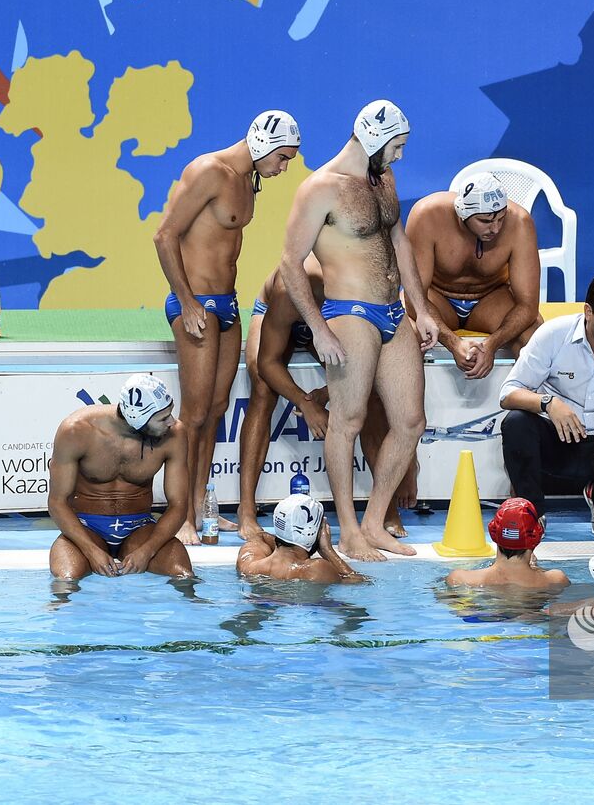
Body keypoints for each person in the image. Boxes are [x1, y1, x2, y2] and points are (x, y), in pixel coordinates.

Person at [279, 100, 438, 561]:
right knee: (347, 422)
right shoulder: (319, 189)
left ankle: (374, 520)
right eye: (397, 147)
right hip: (350, 313)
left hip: (393, 312)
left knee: (410, 422)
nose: (401, 157)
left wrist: (421, 310)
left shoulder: (383, 179)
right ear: (372, 140)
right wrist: (320, 329)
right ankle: (348, 529)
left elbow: (398, 241)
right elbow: (290, 263)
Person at [153, 110, 301, 542]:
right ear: (261, 145)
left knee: (216, 412)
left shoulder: (247, 180)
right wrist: (186, 300)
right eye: (283, 158)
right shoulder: (208, 171)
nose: (284, 167)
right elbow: (164, 235)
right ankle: (179, 517)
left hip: (228, 306)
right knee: (194, 414)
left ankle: (200, 507)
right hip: (195, 303)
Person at [234, 255, 417, 542]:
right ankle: (246, 509)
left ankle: (386, 508)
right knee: (261, 387)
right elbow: (267, 362)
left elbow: (368, 371)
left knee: (370, 397)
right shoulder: (289, 291)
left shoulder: (358, 290)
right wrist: (305, 402)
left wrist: (325, 393)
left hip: (334, 322)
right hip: (283, 316)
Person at [498, 269, 594, 536]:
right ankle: (533, 512)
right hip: (557, 440)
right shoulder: (552, 334)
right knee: (516, 423)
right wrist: (549, 403)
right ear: (588, 311)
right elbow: (508, 393)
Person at [46, 374, 194, 580]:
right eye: (163, 418)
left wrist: (148, 550)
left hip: (140, 527)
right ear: (138, 419)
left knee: (184, 576)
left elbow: (179, 505)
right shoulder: (76, 430)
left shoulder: (175, 434)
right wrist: (90, 550)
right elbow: (57, 502)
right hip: (85, 527)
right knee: (66, 578)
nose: (172, 422)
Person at [406, 171, 542, 379]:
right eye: (485, 221)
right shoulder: (427, 216)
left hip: (491, 301)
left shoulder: (520, 222)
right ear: (462, 214)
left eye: (501, 218)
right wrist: (453, 343)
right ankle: (407, 409)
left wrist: (491, 345)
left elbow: (528, 306)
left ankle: (532, 405)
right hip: (438, 299)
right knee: (403, 332)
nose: (495, 228)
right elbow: (413, 298)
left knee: (533, 334)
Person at [236, 494, 364, 583]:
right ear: (313, 531)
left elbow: (260, 537)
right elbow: (357, 581)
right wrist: (327, 551)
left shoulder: (248, 563)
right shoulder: (316, 569)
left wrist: (286, 538)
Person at [445, 498, 569, 588]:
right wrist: (536, 569)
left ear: (493, 532)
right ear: (537, 536)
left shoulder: (459, 579)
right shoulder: (556, 580)